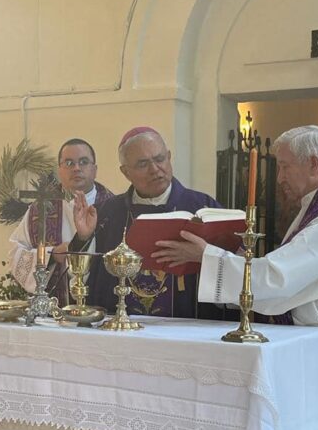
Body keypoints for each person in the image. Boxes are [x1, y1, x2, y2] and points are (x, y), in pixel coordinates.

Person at [153, 125, 318, 430]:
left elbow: (280, 278)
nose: (279, 178)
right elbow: (294, 272)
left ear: (313, 164)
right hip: (311, 339)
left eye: (285, 167)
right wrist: (231, 258)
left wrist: (208, 256)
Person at [71, 126, 224, 318]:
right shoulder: (108, 212)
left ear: (169, 157)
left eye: (159, 159)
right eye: (143, 164)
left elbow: (233, 271)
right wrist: (84, 238)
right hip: (121, 326)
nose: (155, 169)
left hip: (186, 326)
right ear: (126, 172)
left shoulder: (203, 209)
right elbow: (83, 281)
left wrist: (205, 255)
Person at [9, 138, 113, 299]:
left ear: (95, 169)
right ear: (60, 170)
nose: (77, 168)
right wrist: (51, 255)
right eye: (69, 163)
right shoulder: (41, 208)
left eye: (84, 162)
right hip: (54, 307)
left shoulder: (112, 207)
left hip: (102, 303)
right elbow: (16, 253)